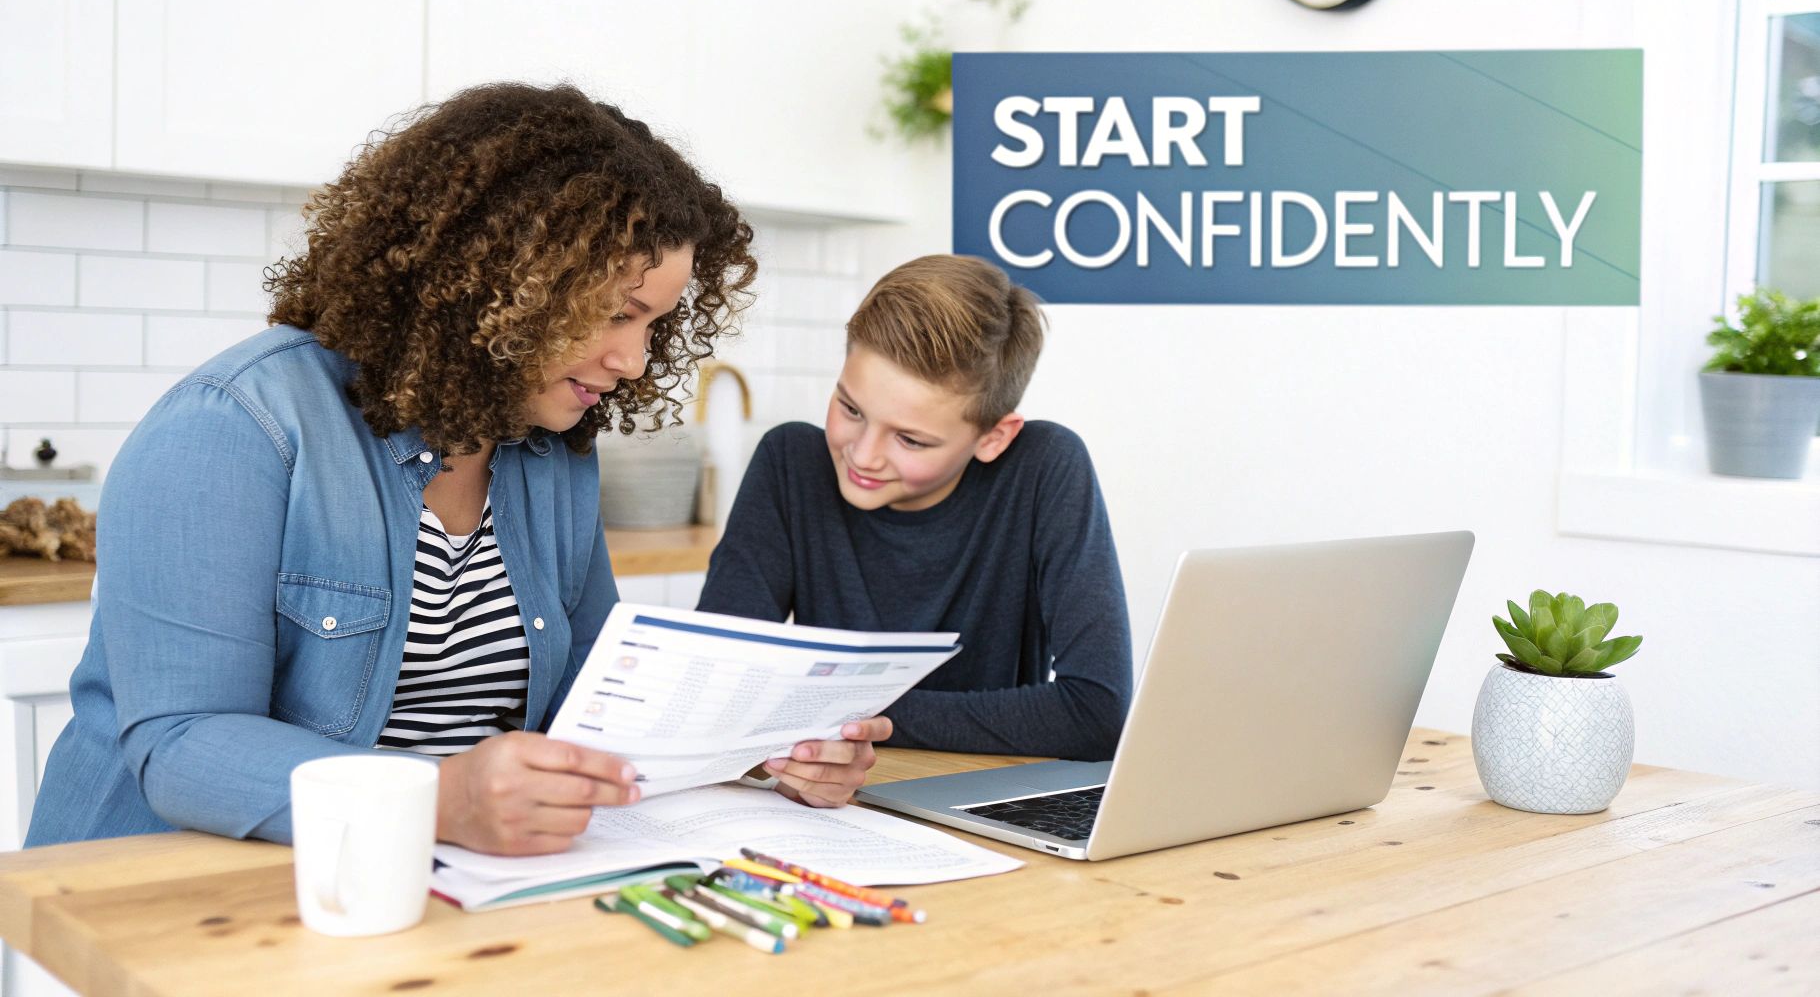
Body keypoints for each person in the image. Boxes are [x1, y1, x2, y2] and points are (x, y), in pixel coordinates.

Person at [26, 83, 886, 856]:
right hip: (168, 895)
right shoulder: (237, 426)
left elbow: (594, 695)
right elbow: (182, 742)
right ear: (502, 282)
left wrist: (758, 749)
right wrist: (437, 799)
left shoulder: (550, 448)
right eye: (619, 314)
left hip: (435, 881)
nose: (633, 359)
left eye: (655, 325)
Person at [698, 255, 1133, 770]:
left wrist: (847, 720)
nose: (863, 455)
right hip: (830, 796)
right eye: (851, 409)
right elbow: (715, 691)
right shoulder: (791, 463)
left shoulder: (1043, 467)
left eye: (910, 438)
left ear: (993, 437)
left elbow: (1096, 714)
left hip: (983, 793)